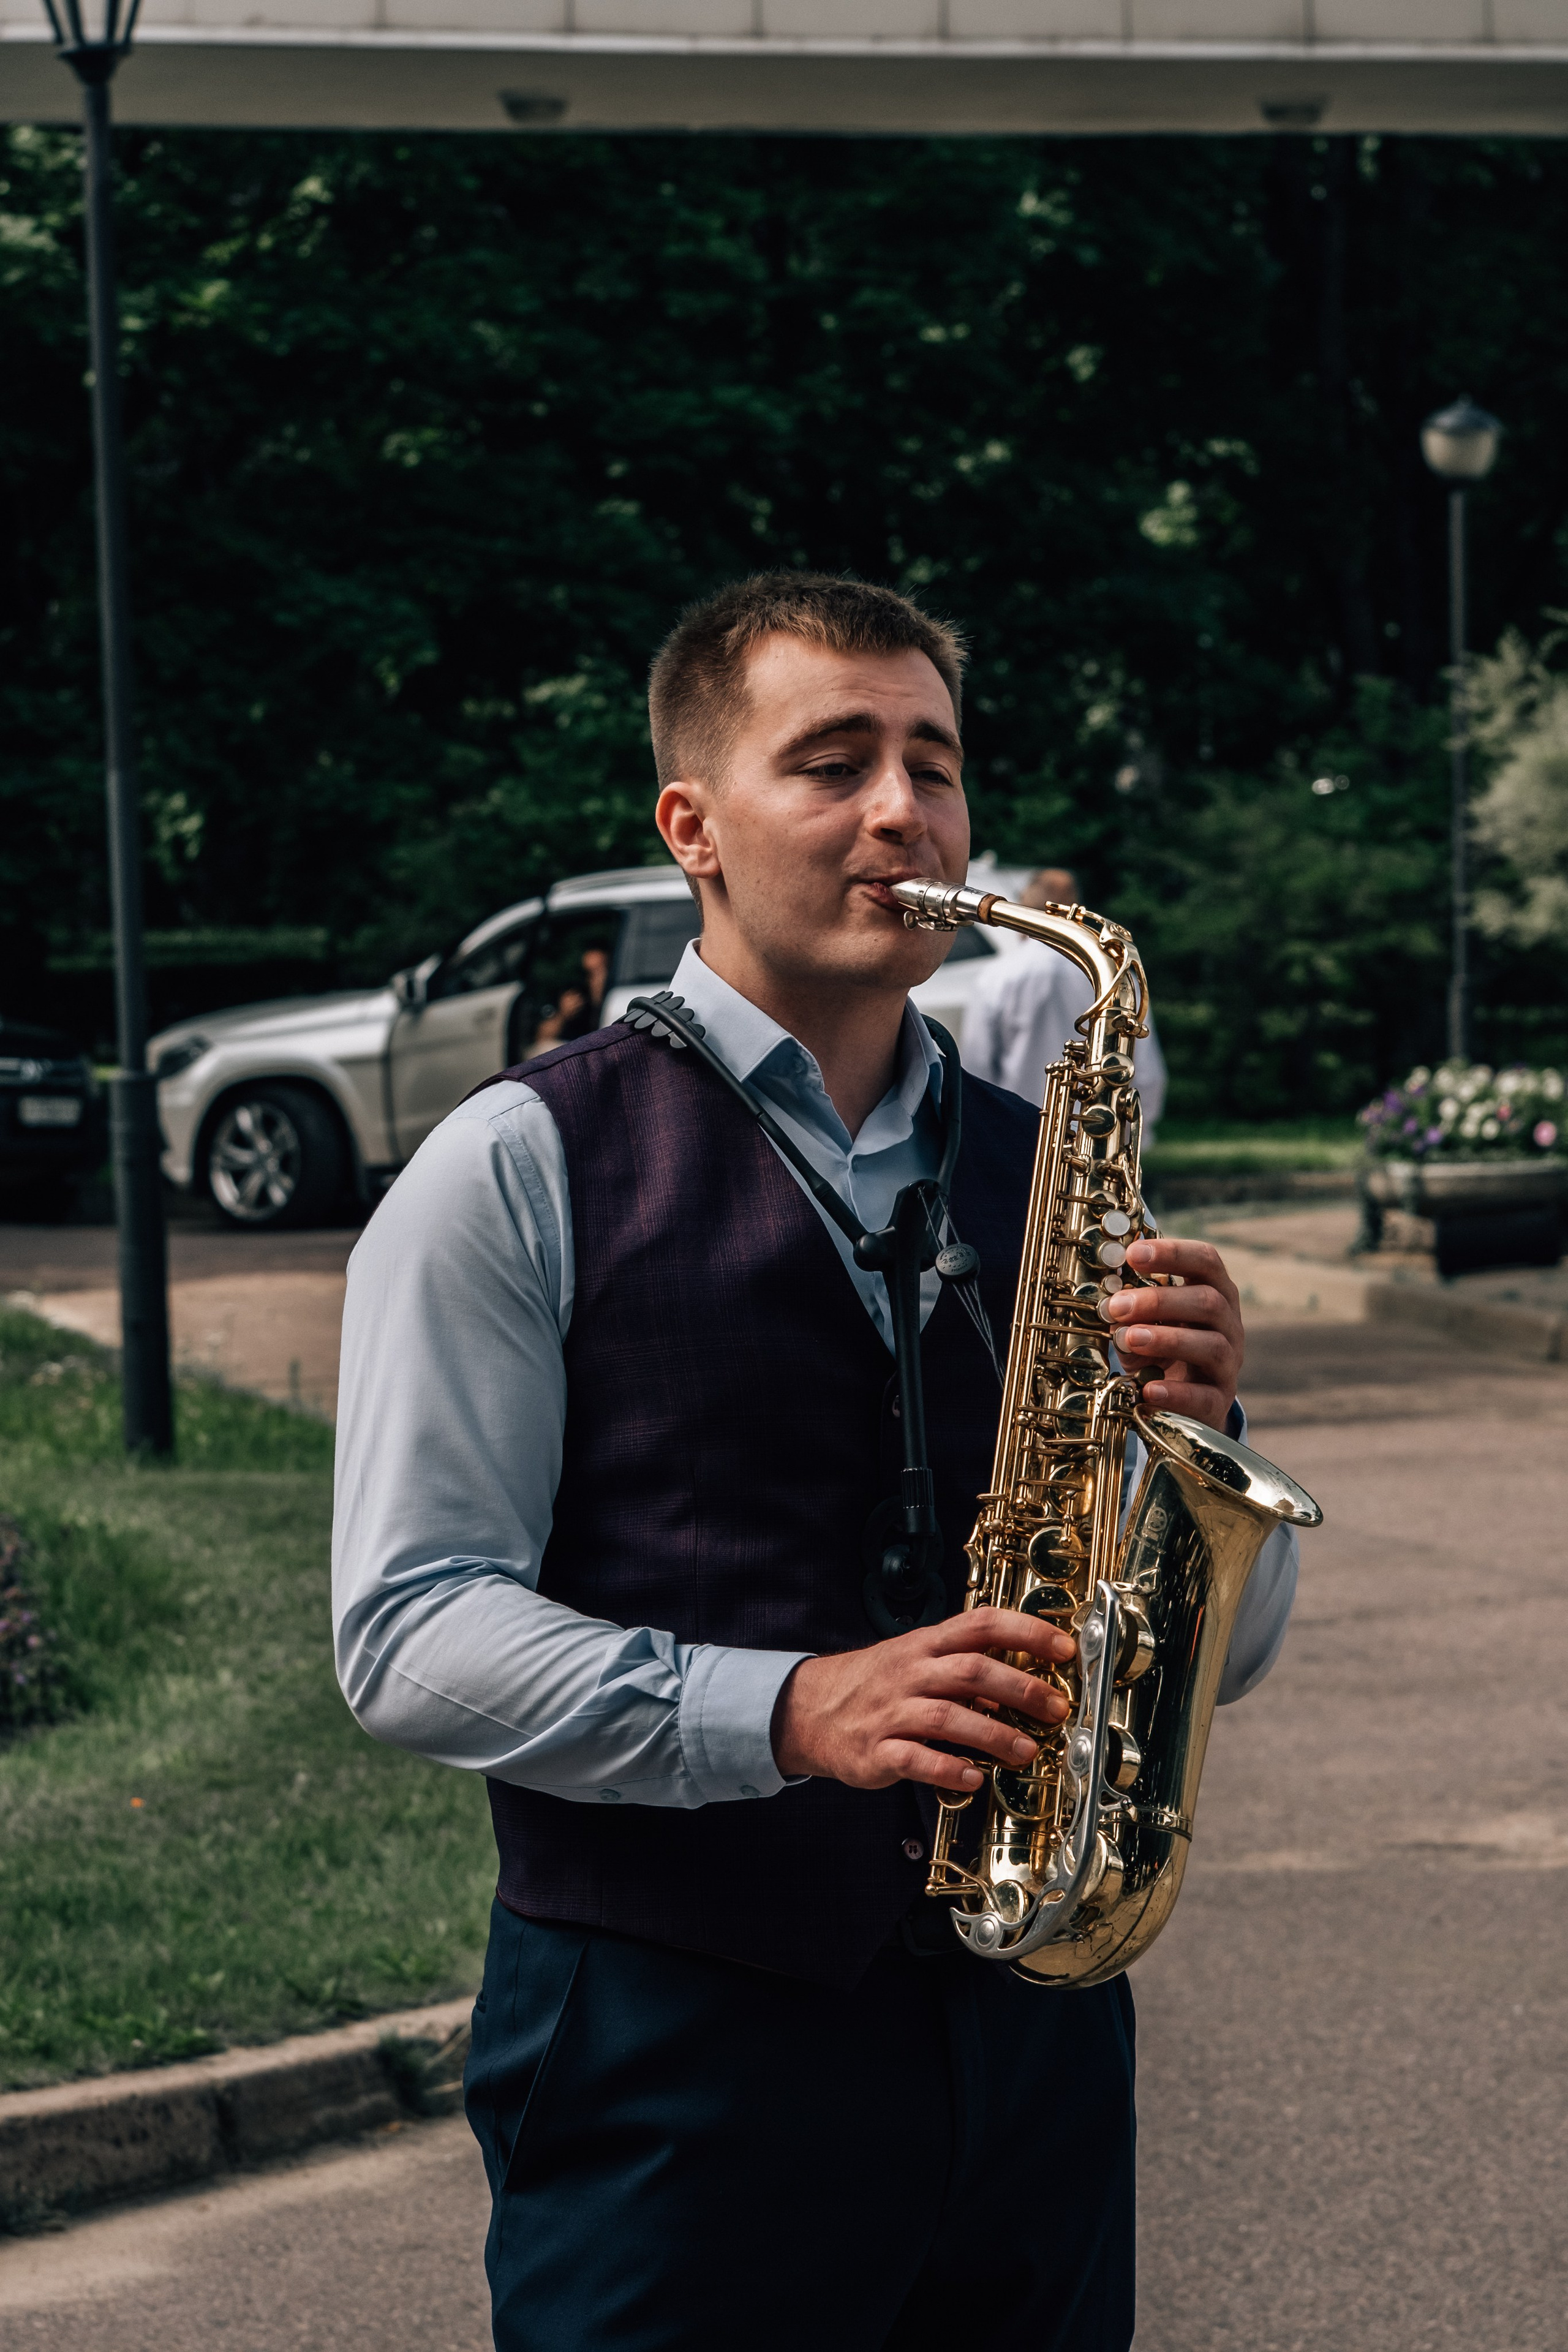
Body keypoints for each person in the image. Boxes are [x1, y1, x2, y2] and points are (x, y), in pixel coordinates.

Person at [331, 573, 1295, 2352]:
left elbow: (1214, 1649)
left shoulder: (1054, 1168)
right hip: (673, 2048)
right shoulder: (512, 1165)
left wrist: (1199, 1441)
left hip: (1026, 2038)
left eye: (931, 762)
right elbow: (405, 1631)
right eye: (832, 760)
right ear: (687, 824)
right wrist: (787, 1707)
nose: (900, 811)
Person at [961, 865, 1168, 1132]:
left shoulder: (996, 977)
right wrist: (1136, 1131)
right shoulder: (1117, 975)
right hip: (1099, 1134)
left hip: (1017, 1131)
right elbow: (1146, 1069)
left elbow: (976, 1069)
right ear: (1076, 911)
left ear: (1023, 911)